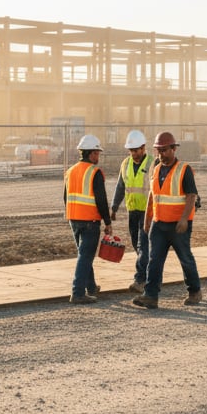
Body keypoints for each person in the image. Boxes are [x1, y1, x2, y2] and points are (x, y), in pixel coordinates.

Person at [131, 131, 204, 309]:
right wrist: (148, 219)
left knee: (185, 258)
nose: (161, 154)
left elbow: (191, 195)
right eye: (158, 150)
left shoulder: (184, 169)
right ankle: (150, 295)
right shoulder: (156, 169)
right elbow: (152, 195)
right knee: (154, 260)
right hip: (159, 223)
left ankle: (194, 291)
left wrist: (184, 219)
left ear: (173, 149)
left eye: (164, 150)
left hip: (178, 224)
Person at [63, 134, 113, 304]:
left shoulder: (70, 171)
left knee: (84, 255)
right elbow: (101, 199)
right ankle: (77, 292)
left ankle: (91, 287)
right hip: (90, 221)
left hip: (73, 218)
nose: (98, 156)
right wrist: (108, 222)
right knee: (86, 256)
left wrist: (72, 213)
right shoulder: (95, 172)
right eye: (97, 153)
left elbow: (65, 197)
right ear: (91, 153)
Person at [110, 129, 152, 294]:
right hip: (132, 210)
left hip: (148, 211)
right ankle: (149, 273)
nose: (133, 153)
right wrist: (114, 207)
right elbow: (121, 186)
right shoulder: (125, 164)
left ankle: (140, 279)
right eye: (131, 150)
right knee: (136, 243)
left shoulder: (152, 163)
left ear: (143, 148)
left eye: (136, 150)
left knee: (143, 244)